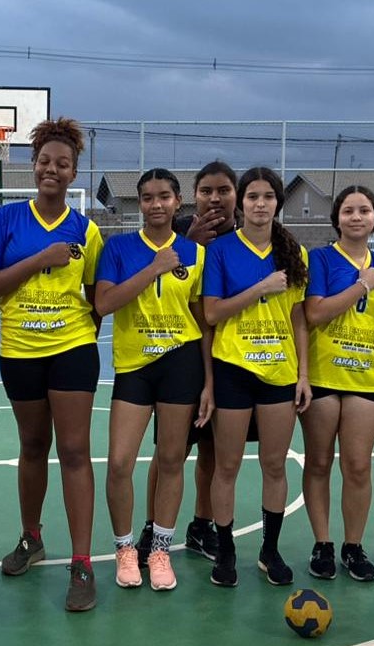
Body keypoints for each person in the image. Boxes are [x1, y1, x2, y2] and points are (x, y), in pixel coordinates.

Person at [0, 117, 104, 611]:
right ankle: (32, 537)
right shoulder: (8, 220)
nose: (52, 169)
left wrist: (76, 332)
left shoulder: (87, 230)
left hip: (72, 349)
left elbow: (97, 298)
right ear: (33, 165)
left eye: (62, 164)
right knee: (32, 445)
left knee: (74, 450)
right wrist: (40, 260)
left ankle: (82, 563)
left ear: (74, 172)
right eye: (45, 161)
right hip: (20, 352)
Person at [95, 168, 210, 591]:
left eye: (164, 196)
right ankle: (125, 549)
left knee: (171, 460)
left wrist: (209, 382)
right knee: (119, 462)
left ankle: (160, 550)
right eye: (147, 197)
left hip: (182, 362)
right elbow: (104, 303)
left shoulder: (196, 254)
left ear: (178, 201)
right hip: (135, 365)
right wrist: (155, 267)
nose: (156, 204)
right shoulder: (119, 248)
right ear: (140, 203)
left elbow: (203, 320)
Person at [202, 166, 310, 588]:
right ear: (241, 203)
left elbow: (298, 318)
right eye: (252, 197)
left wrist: (303, 374)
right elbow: (212, 312)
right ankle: (226, 551)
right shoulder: (222, 251)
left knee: (274, 464)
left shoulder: (293, 252)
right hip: (233, 367)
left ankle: (270, 550)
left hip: (279, 372)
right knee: (226, 465)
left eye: (268, 197)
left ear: (278, 203)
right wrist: (260, 289)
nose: (260, 204)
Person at [137, 160, 241, 564]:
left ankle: (202, 525)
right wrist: (188, 243)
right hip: (184, 356)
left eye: (223, 190)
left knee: (214, 450)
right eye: (206, 191)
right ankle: (152, 526)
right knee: (171, 450)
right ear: (191, 197)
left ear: (235, 195)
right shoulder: (176, 232)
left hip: (233, 357)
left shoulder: (248, 236)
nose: (215, 198)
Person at [301, 186, 374, 582]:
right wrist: (362, 285)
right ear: (337, 219)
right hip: (324, 375)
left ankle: (353, 546)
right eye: (348, 211)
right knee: (319, 462)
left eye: (364, 210)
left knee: (358, 466)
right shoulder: (321, 259)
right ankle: (322, 543)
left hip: (365, 378)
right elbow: (315, 313)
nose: (356, 217)